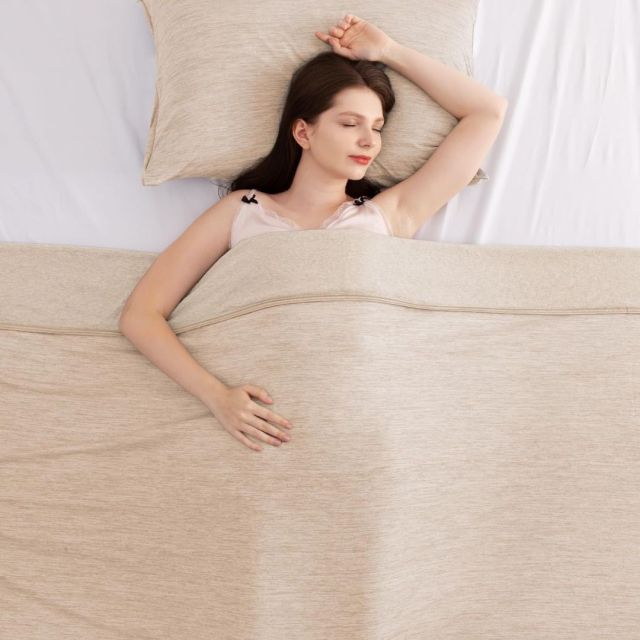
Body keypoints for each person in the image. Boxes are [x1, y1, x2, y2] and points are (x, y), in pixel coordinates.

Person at [119, 14, 508, 453]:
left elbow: (487, 112)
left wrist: (389, 52)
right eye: (350, 124)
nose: (369, 141)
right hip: (261, 425)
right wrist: (217, 397)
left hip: (364, 421)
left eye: (377, 127)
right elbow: (141, 314)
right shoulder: (244, 211)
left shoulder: (387, 215)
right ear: (304, 131)